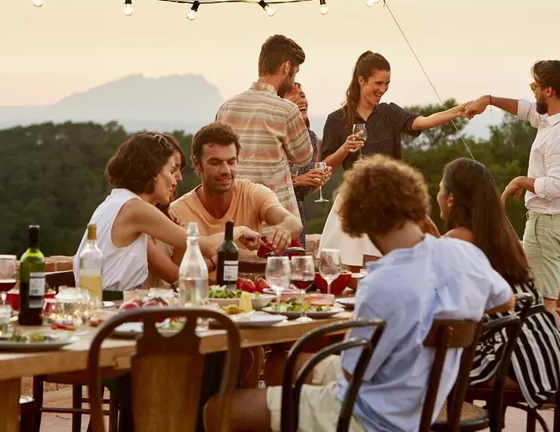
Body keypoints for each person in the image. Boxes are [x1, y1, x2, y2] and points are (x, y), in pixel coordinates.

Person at [204, 155, 514, 432]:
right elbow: (506, 300)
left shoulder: (382, 283)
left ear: (361, 219)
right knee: (281, 366)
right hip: (417, 403)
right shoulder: (464, 255)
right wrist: (436, 321)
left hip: (366, 417)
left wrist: (415, 329)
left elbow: (352, 375)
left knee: (218, 408)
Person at [465, 60, 560, 338]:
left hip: (548, 224)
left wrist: (521, 181)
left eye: (535, 86)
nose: (532, 92)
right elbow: (527, 111)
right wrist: (488, 100)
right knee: (544, 303)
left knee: (543, 308)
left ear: (548, 90)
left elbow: (558, 186)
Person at [438, 158, 560, 408]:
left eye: (441, 188)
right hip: (547, 357)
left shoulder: (457, 240)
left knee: (427, 367)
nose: (437, 195)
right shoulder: (502, 236)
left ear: (451, 198)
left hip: (518, 364)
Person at [318, 50, 464, 266]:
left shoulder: (389, 113)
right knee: (350, 266)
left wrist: (458, 111)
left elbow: (422, 122)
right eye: (378, 83)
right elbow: (325, 165)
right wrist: (345, 149)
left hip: (390, 203)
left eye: (387, 84)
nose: (383, 90)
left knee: (393, 264)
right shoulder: (336, 119)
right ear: (361, 80)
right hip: (354, 201)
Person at [72, 133, 259, 291]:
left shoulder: (114, 202)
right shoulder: (136, 209)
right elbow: (206, 245)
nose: (175, 180)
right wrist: (240, 230)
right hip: (113, 311)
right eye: (171, 171)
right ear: (153, 172)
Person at [171, 123, 303, 264]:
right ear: (197, 164)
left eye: (231, 162)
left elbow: (294, 223)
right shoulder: (177, 212)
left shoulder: (253, 193)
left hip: (246, 285)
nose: (226, 170)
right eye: (215, 162)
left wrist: (283, 230)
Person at [215, 35, 313, 223]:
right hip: (276, 224)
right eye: (294, 73)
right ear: (285, 67)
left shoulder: (226, 107)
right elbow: (304, 158)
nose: (293, 83)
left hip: (235, 220)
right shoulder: (286, 110)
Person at [283, 82, 329, 244]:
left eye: (302, 95)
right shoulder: (275, 135)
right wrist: (299, 180)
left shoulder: (312, 138)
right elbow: (263, 182)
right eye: (294, 96)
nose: (301, 100)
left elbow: (305, 192)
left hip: (297, 218)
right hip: (274, 220)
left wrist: (316, 180)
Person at [145, 133, 186, 288]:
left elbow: (176, 274)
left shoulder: (169, 214)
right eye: (173, 169)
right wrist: (217, 259)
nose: (179, 177)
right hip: (137, 307)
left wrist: (181, 242)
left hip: (164, 303)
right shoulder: (138, 214)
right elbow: (174, 277)